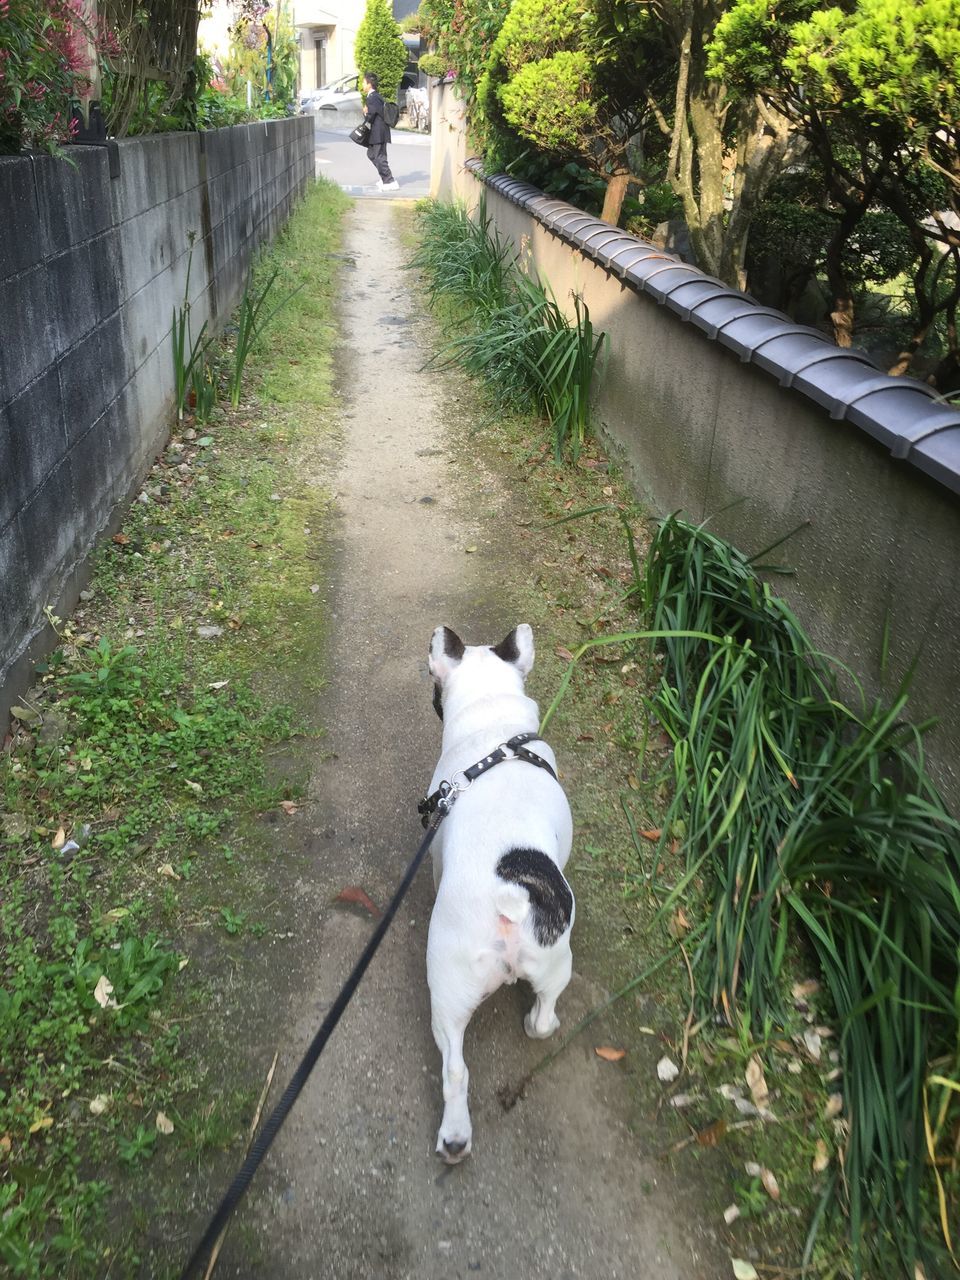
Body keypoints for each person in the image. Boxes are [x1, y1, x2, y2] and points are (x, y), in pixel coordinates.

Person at [361, 72, 399, 192]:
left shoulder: (372, 98)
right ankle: (385, 178)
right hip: (379, 132)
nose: (362, 84)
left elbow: (370, 117)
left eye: (363, 82)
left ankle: (389, 181)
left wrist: (365, 112)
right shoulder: (375, 96)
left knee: (379, 156)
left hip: (378, 132)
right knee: (372, 154)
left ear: (369, 84)